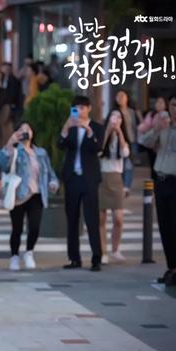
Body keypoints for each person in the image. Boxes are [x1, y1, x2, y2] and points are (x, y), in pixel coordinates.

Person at [139, 91, 176, 287]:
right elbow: (143, 143)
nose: (174, 109)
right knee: (164, 226)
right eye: (172, 105)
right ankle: (171, 267)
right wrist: (156, 129)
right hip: (160, 180)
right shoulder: (164, 128)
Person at [0, 122, 59, 270]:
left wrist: (53, 182)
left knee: (35, 226)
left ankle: (29, 252)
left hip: (37, 194)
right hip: (19, 194)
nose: (25, 132)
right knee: (17, 228)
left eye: (28, 130)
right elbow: (4, 165)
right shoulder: (15, 151)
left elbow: (50, 172)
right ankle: (14, 256)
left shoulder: (41, 153)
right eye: (21, 130)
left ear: (32, 133)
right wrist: (10, 144)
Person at [58, 96, 104, 271]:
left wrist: (89, 131)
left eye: (83, 108)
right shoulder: (70, 127)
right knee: (72, 219)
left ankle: (96, 258)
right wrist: (65, 128)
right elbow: (60, 145)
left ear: (89, 108)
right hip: (72, 178)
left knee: (92, 219)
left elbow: (98, 148)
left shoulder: (97, 127)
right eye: (76, 108)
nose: (80, 111)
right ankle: (74, 258)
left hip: (90, 179)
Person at [98, 110, 131, 265]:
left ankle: (115, 249)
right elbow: (98, 150)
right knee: (101, 218)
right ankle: (103, 251)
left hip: (116, 178)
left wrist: (118, 132)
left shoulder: (121, 137)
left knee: (118, 219)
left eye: (118, 117)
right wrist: (108, 132)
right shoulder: (103, 134)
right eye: (113, 116)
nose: (115, 119)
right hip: (102, 178)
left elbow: (125, 153)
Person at [114, 89, 142, 195]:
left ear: (127, 98)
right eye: (118, 96)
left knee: (129, 165)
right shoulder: (114, 112)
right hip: (118, 142)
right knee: (120, 164)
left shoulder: (132, 111)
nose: (120, 98)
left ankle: (126, 187)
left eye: (123, 96)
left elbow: (138, 126)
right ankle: (120, 185)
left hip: (132, 141)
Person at [137, 96, 168, 179]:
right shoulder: (151, 114)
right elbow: (143, 127)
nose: (158, 104)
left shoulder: (167, 115)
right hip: (152, 144)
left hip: (163, 145)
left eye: (161, 102)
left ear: (166, 105)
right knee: (153, 166)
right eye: (157, 102)